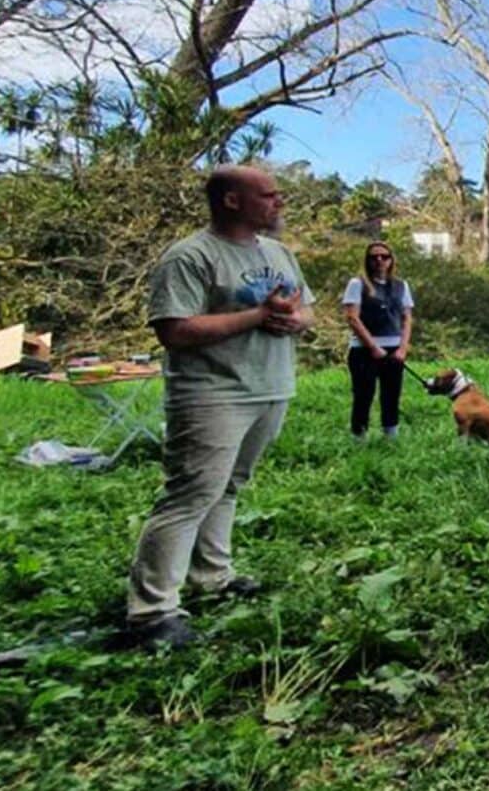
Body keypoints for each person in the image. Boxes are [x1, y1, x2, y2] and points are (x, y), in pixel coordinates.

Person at [124, 165, 311, 649]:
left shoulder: (278, 253)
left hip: (269, 386)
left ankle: (212, 577)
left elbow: (305, 309)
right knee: (189, 495)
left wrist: (294, 320)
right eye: (269, 196)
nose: (278, 203)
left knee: (229, 487)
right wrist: (256, 315)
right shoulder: (191, 256)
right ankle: (152, 611)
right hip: (212, 393)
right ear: (232, 200)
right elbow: (174, 330)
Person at [341, 241, 414, 441]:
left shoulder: (401, 286)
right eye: (374, 257)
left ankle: (390, 436)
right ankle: (359, 437)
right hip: (364, 349)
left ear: (391, 260)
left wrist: (403, 348)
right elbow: (352, 318)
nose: (379, 260)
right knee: (364, 394)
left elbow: (407, 318)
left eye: (384, 256)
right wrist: (372, 346)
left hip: (394, 347)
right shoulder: (357, 284)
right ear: (367, 261)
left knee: (391, 395)